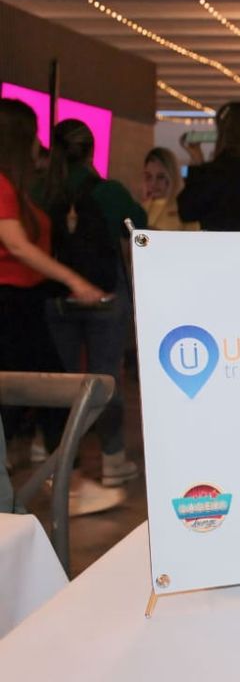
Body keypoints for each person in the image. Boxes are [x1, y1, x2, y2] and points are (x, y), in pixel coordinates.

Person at [0, 100, 112, 513]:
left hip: (23, 306)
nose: (39, 146)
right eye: (32, 136)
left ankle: (70, 484)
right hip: (10, 308)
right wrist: (74, 280)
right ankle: (71, 485)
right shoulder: (3, 187)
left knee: (35, 401)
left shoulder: (18, 188)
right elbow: (15, 245)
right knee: (48, 398)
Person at [37, 118, 148, 503]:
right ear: (91, 150)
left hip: (56, 296)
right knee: (104, 377)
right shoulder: (110, 191)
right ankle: (112, 458)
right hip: (105, 297)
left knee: (63, 381)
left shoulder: (41, 189)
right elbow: (140, 226)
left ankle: (62, 463)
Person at [177, 101, 240, 232]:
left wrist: (195, 164)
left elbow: (186, 211)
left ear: (221, 134)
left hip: (217, 248)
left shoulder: (208, 173)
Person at [141, 147, 194, 231]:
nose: (153, 183)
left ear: (173, 177)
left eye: (160, 177)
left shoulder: (186, 209)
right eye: (148, 177)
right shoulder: (142, 209)